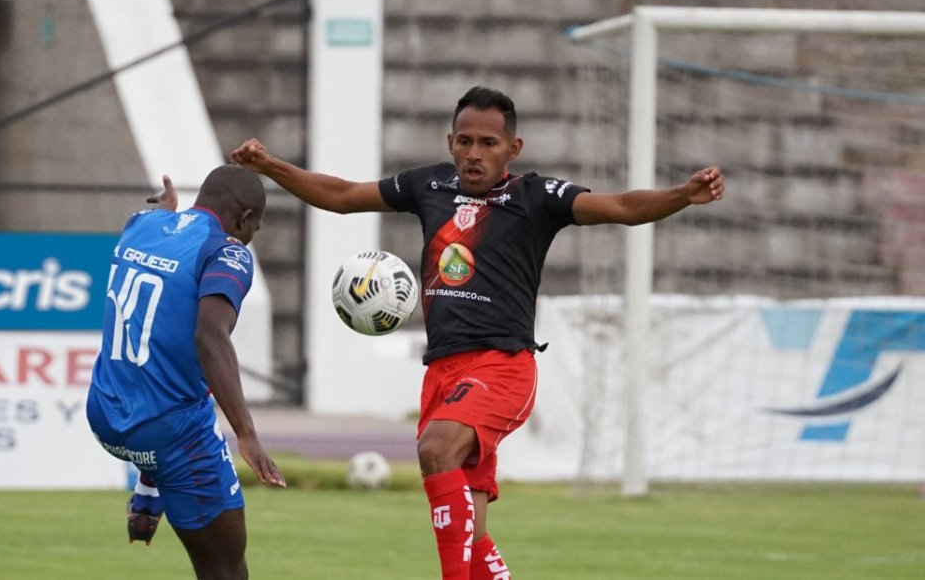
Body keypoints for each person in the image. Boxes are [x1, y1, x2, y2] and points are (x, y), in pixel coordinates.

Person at [230, 85, 724, 580]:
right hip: (443, 371)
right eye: (465, 141)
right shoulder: (429, 187)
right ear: (450, 143)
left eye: (488, 143)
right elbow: (340, 197)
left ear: (513, 149)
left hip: (501, 366)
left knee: (435, 450)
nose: (474, 153)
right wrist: (271, 165)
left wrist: (682, 194)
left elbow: (620, 207)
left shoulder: (535, 197)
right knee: (473, 535)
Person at [86, 166, 286, 580]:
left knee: (172, 366)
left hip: (104, 415)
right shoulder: (227, 251)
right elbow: (210, 337)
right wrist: (246, 434)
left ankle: (149, 486)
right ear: (244, 217)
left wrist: (166, 211)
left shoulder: (142, 225)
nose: (249, 238)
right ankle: (156, 475)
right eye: (255, 228)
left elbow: (154, 224)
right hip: (168, 434)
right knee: (226, 570)